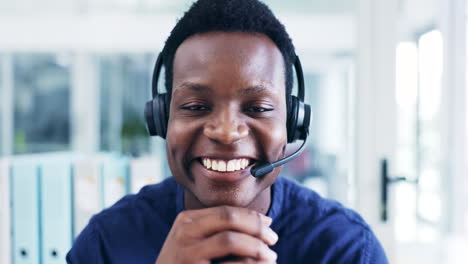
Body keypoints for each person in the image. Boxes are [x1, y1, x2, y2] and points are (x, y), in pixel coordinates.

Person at [67, 0, 388, 263]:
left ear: (293, 123)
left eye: (258, 108)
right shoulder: (106, 244)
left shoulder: (346, 248)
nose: (225, 132)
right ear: (162, 118)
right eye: (195, 106)